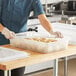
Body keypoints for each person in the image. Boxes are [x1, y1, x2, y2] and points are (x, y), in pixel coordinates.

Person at [0, 0, 63, 76]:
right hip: (1, 42)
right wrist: (3, 30)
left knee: (17, 73)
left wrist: (52, 31)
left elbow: (42, 17)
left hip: (19, 43)